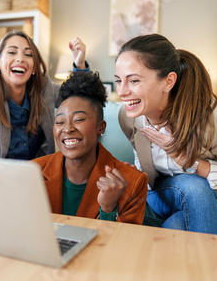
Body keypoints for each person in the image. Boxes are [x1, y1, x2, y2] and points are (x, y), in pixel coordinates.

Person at [115, 33, 217, 248]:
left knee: (182, 215)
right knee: (193, 188)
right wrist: (131, 176)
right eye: (119, 80)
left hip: (209, 202)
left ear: (168, 81)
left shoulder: (211, 118)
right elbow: (147, 177)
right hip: (163, 195)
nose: (122, 91)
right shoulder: (128, 118)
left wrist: (189, 161)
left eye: (134, 80)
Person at [0, 31, 88, 159]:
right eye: (12, 52)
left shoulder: (44, 88)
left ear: (33, 67)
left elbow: (79, 101)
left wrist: (79, 64)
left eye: (28, 54)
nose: (20, 58)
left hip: (37, 176)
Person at [32, 71, 148, 224]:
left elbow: (125, 245)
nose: (67, 129)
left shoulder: (133, 182)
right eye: (60, 122)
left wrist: (108, 209)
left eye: (78, 119)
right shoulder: (32, 172)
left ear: (101, 127)